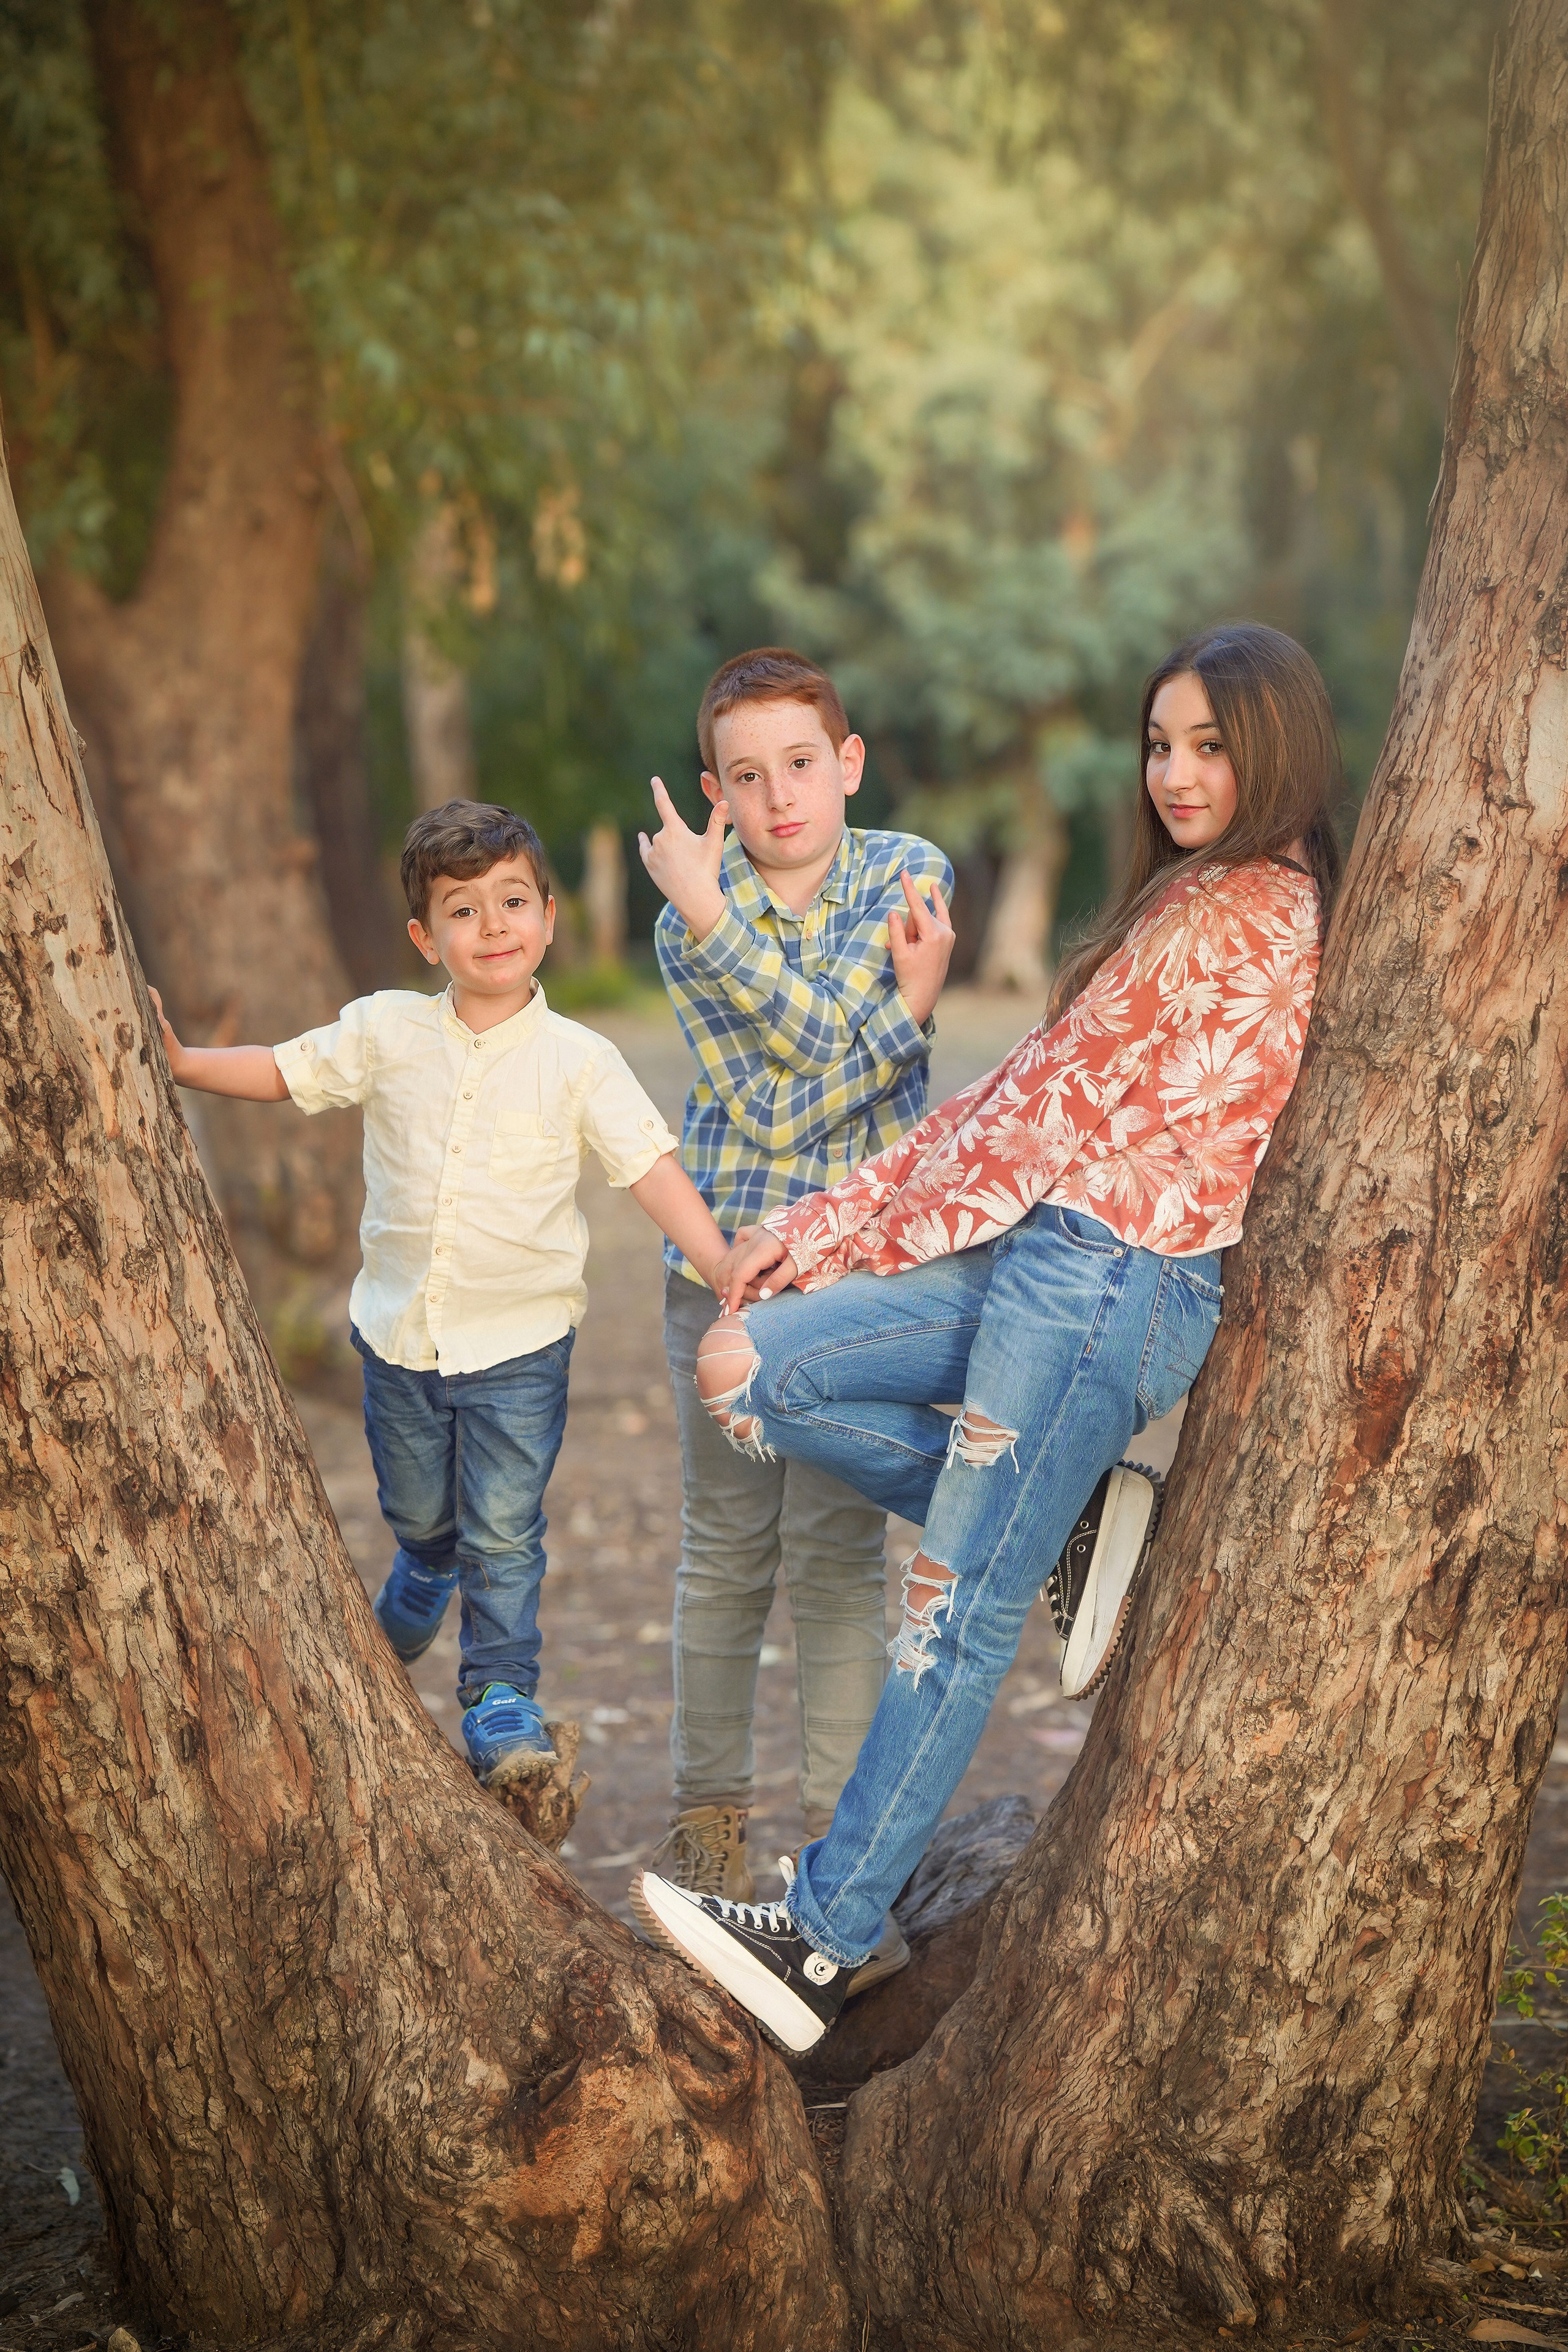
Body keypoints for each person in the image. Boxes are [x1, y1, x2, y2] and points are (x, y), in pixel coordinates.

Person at [635, 621, 1343, 2053]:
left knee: (948, 1608)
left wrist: (834, 1227)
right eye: (1159, 743)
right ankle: (1076, 1526)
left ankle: (822, 1936)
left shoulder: (1243, 910)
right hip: (1039, 1258)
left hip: (1104, 1286)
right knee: (749, 1366)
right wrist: (823, 1228)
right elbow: (1021, 1090)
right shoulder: (1186, 897)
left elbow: (1023, 1126)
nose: (1174, 771)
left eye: (1208, 745)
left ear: (1275, 749)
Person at [151, 800, 731, 1792]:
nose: (494, 925)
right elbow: (287, 1070)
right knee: (422, 1509)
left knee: (505, 1527)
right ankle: (423, 1567)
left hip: (521, 1345)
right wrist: (183, 1064)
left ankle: (501, 1690)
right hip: (398, 1337)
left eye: (514, 902)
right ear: (427, 937)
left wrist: (723, 1266)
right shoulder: (385, 1032)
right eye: (465, 910)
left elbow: (649, 1169)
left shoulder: (581, 1061)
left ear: (551, 918)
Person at [632, 646, 955, 1995]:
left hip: (850, 1283)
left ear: (850, 762)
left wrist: (735, 937)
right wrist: (903, 1016)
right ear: (713, 788)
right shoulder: (677, 913)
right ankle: (705, 1830)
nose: (779, 800)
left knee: (834, 1560)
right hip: (716, 1275)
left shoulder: (905, 872)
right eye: (747, 776)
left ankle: (833, 1857)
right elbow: (776, 1103)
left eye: (801, 766)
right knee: (722, 1554)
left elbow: (803, 1078)